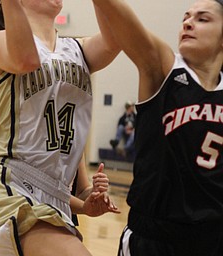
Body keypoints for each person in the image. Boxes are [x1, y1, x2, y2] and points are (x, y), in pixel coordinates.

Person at [0, 0, 122, 255]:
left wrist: (86, 200)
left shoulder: (77, 48)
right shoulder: (0, 42)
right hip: (9, 184)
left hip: (57, 196)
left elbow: (117, 36)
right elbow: (26, 59)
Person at [92, 0, 223, 255]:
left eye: (202, 19)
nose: (188, 22)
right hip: (154, 237)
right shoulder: (165, 67)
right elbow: (119, 15)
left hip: (213, 238)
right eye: (186, 17)